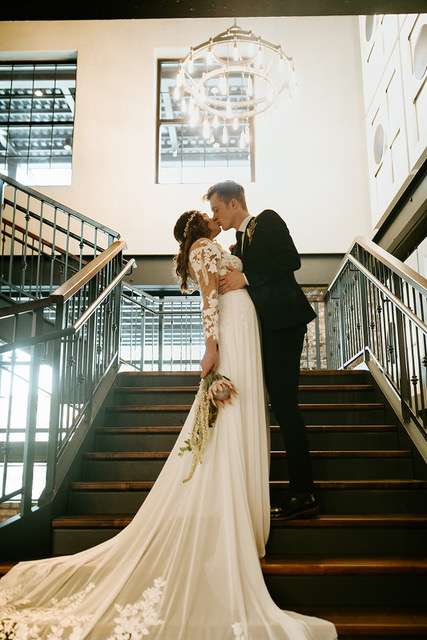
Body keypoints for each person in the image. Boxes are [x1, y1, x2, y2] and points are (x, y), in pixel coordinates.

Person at [0, 210, 337, 639]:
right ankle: (232, 505)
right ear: (196, 227)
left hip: (245, 328)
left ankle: (245, 506)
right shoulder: (201, 248)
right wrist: (211, 348)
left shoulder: (224, 246)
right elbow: (209, 298)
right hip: (230, 333)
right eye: (207, 215)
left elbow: (244, 276)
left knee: (242, 411)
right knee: (227, 415)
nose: (215, 217)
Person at [205, 181, 318, 520]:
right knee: (276, 404)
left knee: (285, 403)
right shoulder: (237, 243)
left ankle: (305, 492)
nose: (215, 217)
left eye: (218, 209)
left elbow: (291, 260)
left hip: (285, 323)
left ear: (235, 202)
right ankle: (293, 488)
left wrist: (247, 278)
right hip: (264, 329)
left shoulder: (267, 221)